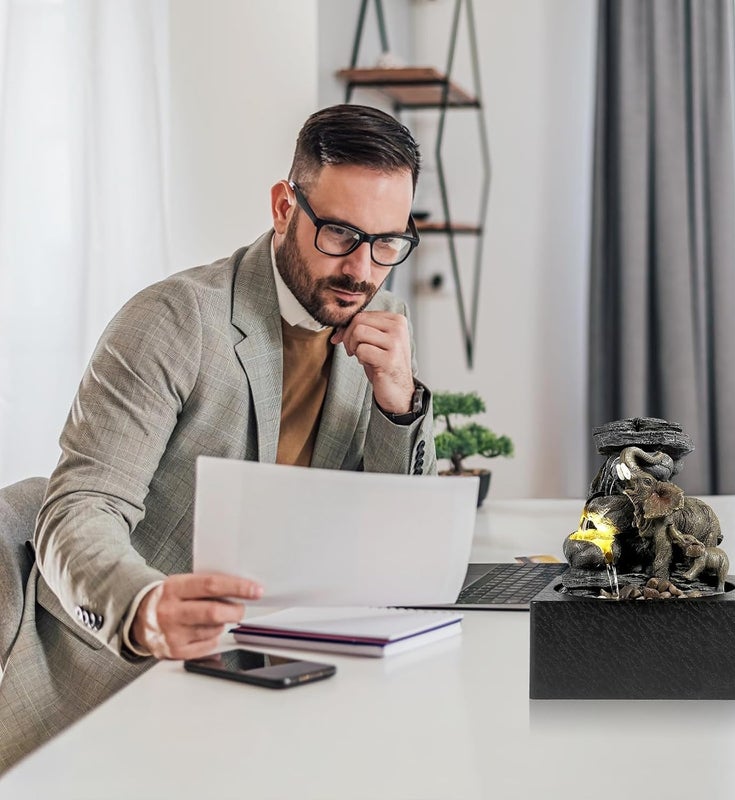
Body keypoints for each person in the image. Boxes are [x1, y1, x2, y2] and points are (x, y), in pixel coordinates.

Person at [0, 104, 436, 771]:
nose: (362, 270)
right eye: (341, 234)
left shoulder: (379, 334)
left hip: (277, 686)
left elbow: (392, 551)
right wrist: (144, 609)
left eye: (387, 243)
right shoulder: (174, 321)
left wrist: (399, 407)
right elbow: (79, 509)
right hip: (112, 685)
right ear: (283, 206)